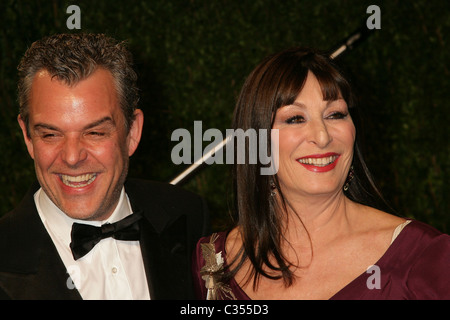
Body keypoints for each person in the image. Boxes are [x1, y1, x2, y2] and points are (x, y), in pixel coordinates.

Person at [192, 47, 450, 300]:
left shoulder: (424, 257)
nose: (322, 136)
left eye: (335, 114)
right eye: (295, 119)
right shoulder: (212, 264)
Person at [0, 33, 209, 300]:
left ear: (132, 132)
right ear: (28, 136)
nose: (73, 157)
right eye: (51, 135)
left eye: (95, 133)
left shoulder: (187, 216)